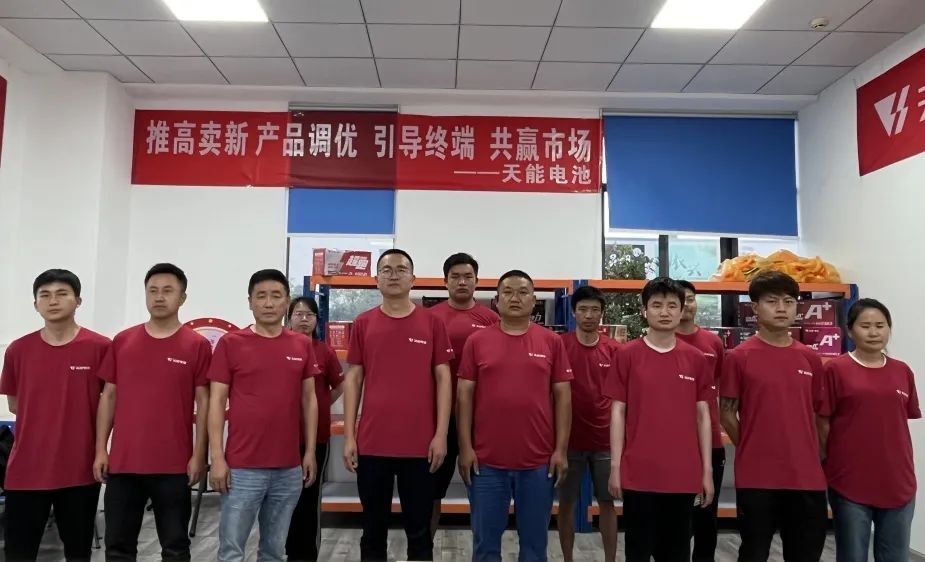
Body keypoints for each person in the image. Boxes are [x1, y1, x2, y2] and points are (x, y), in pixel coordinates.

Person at [94, 263, 212, 561]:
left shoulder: (196, 345)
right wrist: (100, 449)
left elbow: (205, 402)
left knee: (175, 547)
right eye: (153, 291)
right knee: (118, 548)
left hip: (174, 466)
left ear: (182, 298)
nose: (159, 297)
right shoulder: (123, 341)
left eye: (168, 291)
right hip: (124, 464)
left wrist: (200, 454)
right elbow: (108, 396)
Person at [342, 249, 453, 562]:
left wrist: (441, 434)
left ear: (413, 279)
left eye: (401, 269)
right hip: (372, 444)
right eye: (386, 270)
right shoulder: (363, 323)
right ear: (376, 279)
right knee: (372, 530)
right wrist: (349, 436)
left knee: (419, 533)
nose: (393, 275)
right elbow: (354, 379)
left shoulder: (432, 323)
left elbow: (444, 379)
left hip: (420, 446)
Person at [457, 269, 572, 562]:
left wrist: (560, 450)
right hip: (486, 463)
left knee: (534, 546)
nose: (515, 298)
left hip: (538, 463)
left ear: (533, 301)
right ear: (497, 301)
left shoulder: (551, 341)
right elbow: (464, 397)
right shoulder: (477, 341)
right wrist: (465, 448)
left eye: (523, 292)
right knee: (485, 546)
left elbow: (563, 397)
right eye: (507, 292)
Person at [207, 269, 320, 562]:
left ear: (286, 302)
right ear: (250, 302)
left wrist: (309, 451)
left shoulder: (301, 344)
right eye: (261, 296)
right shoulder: (231, 343)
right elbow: (216, 401)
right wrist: (217, 457)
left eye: (276, 296)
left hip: (288, 468)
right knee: (231, 551)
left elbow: (309, 399)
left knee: (274, 551)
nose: (268, 303)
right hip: (242, 467)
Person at [0, 269, 111, 561]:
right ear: (35, 304)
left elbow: (110, 403)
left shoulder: (100, 347)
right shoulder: (18, 350)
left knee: (78, 552)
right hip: (26, 469)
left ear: (78, 301)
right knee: (18, 553)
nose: (53, 301)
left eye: (62, 294)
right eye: (44, 295)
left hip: (79, 469)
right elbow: (15, 405)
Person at [720, 271, 828, 562]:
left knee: (806, 554)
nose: (782, 308)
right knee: (754, 552)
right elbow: (726, 413)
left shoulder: (810, 358)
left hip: (806, 477)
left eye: (789, 301)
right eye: (772, 301)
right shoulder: (739, 357)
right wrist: (752, 447)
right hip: (757, 477)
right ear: (755, 308)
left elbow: (818, 413)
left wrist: (816, 455)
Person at [605, 277, 714, 562]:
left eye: (671, 305)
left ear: (681, 310)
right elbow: (617, 412)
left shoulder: (696, 358)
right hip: (639, 473)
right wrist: (616, 466)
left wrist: (706, 471)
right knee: (638, 551)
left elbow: (703, 416)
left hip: (683, 474)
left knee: (677, 552)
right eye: (656, 305)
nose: (664, 312)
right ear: (644, 311)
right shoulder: (627, 355)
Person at [819, 299, 919, 562]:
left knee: (896, 556)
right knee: (852, 555)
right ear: (850, 331)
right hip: (849, 479)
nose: (874, 332)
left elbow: (899, 422)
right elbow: (822, 421)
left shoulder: (902, 371)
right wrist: (831, 462)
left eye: (880, 326)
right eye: (865, 326)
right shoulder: (836, 369)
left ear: (889, 329)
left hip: (897, 480)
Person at [427, 252, 498, 536]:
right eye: (455, 276)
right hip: (437, 419)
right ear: (445, 281)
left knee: (481, 491)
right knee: (430, 493)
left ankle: (483, 550)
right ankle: (424, 552)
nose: (462, 282)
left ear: (477, 281)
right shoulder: (430, 318)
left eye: (468, 276)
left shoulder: (492, 319)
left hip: (480, 420)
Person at [556, 285, 618, 562]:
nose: (589, 315)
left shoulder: (615, 350)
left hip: (605, 440)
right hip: (568, 441)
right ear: (573, 312)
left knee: (607, 502)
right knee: (566, 503)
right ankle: (567, 558)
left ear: (602, 313)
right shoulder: (560, 345)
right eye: (583, 309)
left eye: (595, 310)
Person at [285, 296, 345, 561]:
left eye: (309, 315)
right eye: (298, 314)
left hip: (315, 437)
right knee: (283, 500)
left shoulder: (324, 351)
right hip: (281, 438)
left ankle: (306, 555)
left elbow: (340, 385)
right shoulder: (279, 347)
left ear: (317, 321)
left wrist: (319, 405)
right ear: (289, 319)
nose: (304, 319)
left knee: (308, 500)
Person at [675, 279, 727, 562]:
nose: (687, 304)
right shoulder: (660, 341)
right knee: (676, 520)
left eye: (691, 298)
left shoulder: (713, 342)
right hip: (673, 444)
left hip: (710, 443)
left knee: (707, 515)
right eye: (680, 299)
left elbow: (715, 385)